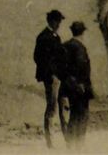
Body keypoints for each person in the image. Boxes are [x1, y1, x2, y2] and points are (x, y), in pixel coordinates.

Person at [33, 9, 66, 149]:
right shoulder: (44, 37)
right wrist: (50, 73)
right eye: (58, 22)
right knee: (52, 107)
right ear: (52, 22)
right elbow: (38, 58)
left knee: (62, 106)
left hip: (58, 77)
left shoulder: (53, 36)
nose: (59, 24)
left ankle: (65, 137)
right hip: (52, 78)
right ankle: (50, 141)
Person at [59, 21, 93, 148]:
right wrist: (81, 84)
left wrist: (67, 80)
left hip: (67, 86)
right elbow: (82, 67)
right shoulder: (80, 48)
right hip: (80, 88)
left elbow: (58, 66)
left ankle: (70, 144)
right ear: (82, 33)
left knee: (73, 116)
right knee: (82, 116)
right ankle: (79, 145)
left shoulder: (65, 45)